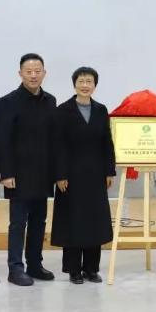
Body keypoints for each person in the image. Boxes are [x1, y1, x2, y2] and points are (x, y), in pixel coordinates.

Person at [50, 67, 116, 284]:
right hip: (70, 176)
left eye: (89, 81)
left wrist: (109, 170)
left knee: (94, 221)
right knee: (73, 222)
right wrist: (60, 174)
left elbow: (107, 142)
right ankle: (73, 270)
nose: (85, 85)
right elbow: (57, 145)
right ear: (74, 84)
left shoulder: (101, 110)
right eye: (81, 81)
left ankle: (91, 268)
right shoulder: (63, 110)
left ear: (95, 85)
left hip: (96, 175)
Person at [0, 53, 57, 286]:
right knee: (18, 223)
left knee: (39, 221)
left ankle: (34, 264)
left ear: (44, 73)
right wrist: (6, 172)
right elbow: (3, 140)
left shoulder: (50, 101)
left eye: (37, 71)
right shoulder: (9, 101)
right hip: (18, 174)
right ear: (20, 74)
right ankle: (15, 268)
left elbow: (53, 138)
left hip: (43, 173)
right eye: (28, 71)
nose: (33, 75)